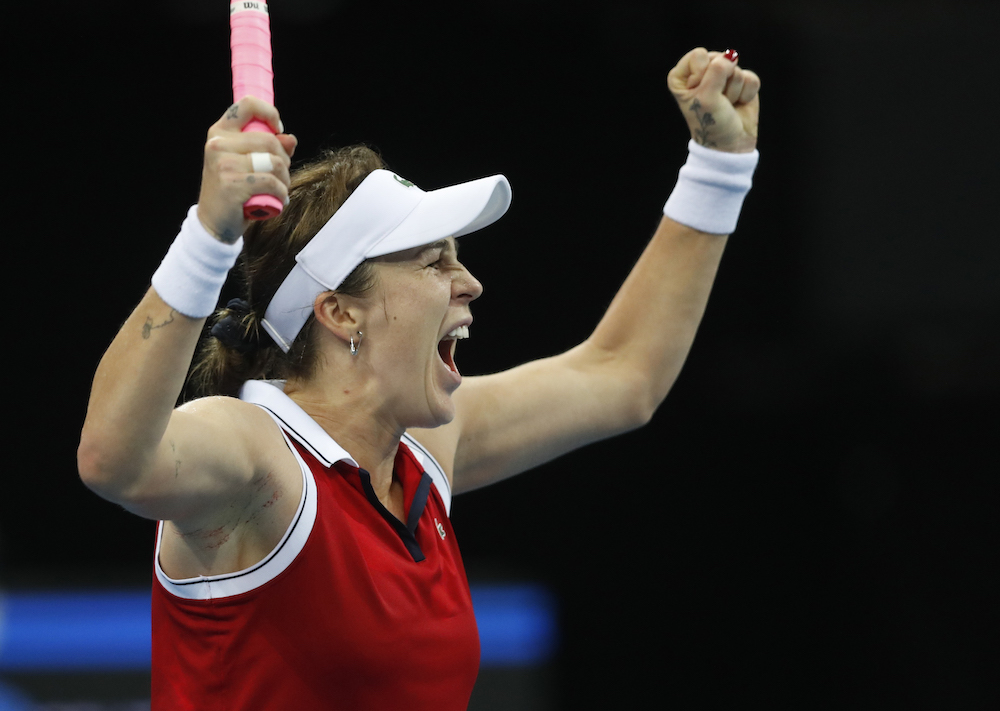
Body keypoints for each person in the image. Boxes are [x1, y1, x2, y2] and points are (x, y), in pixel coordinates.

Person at [78, 47, 761, 710]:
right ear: (341, 312)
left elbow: (622, 375)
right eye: (435, 262)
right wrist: (210, 232)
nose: (470, 283)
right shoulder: (257, 455)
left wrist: (719, 168)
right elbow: (114, 459)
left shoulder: (421, 455)